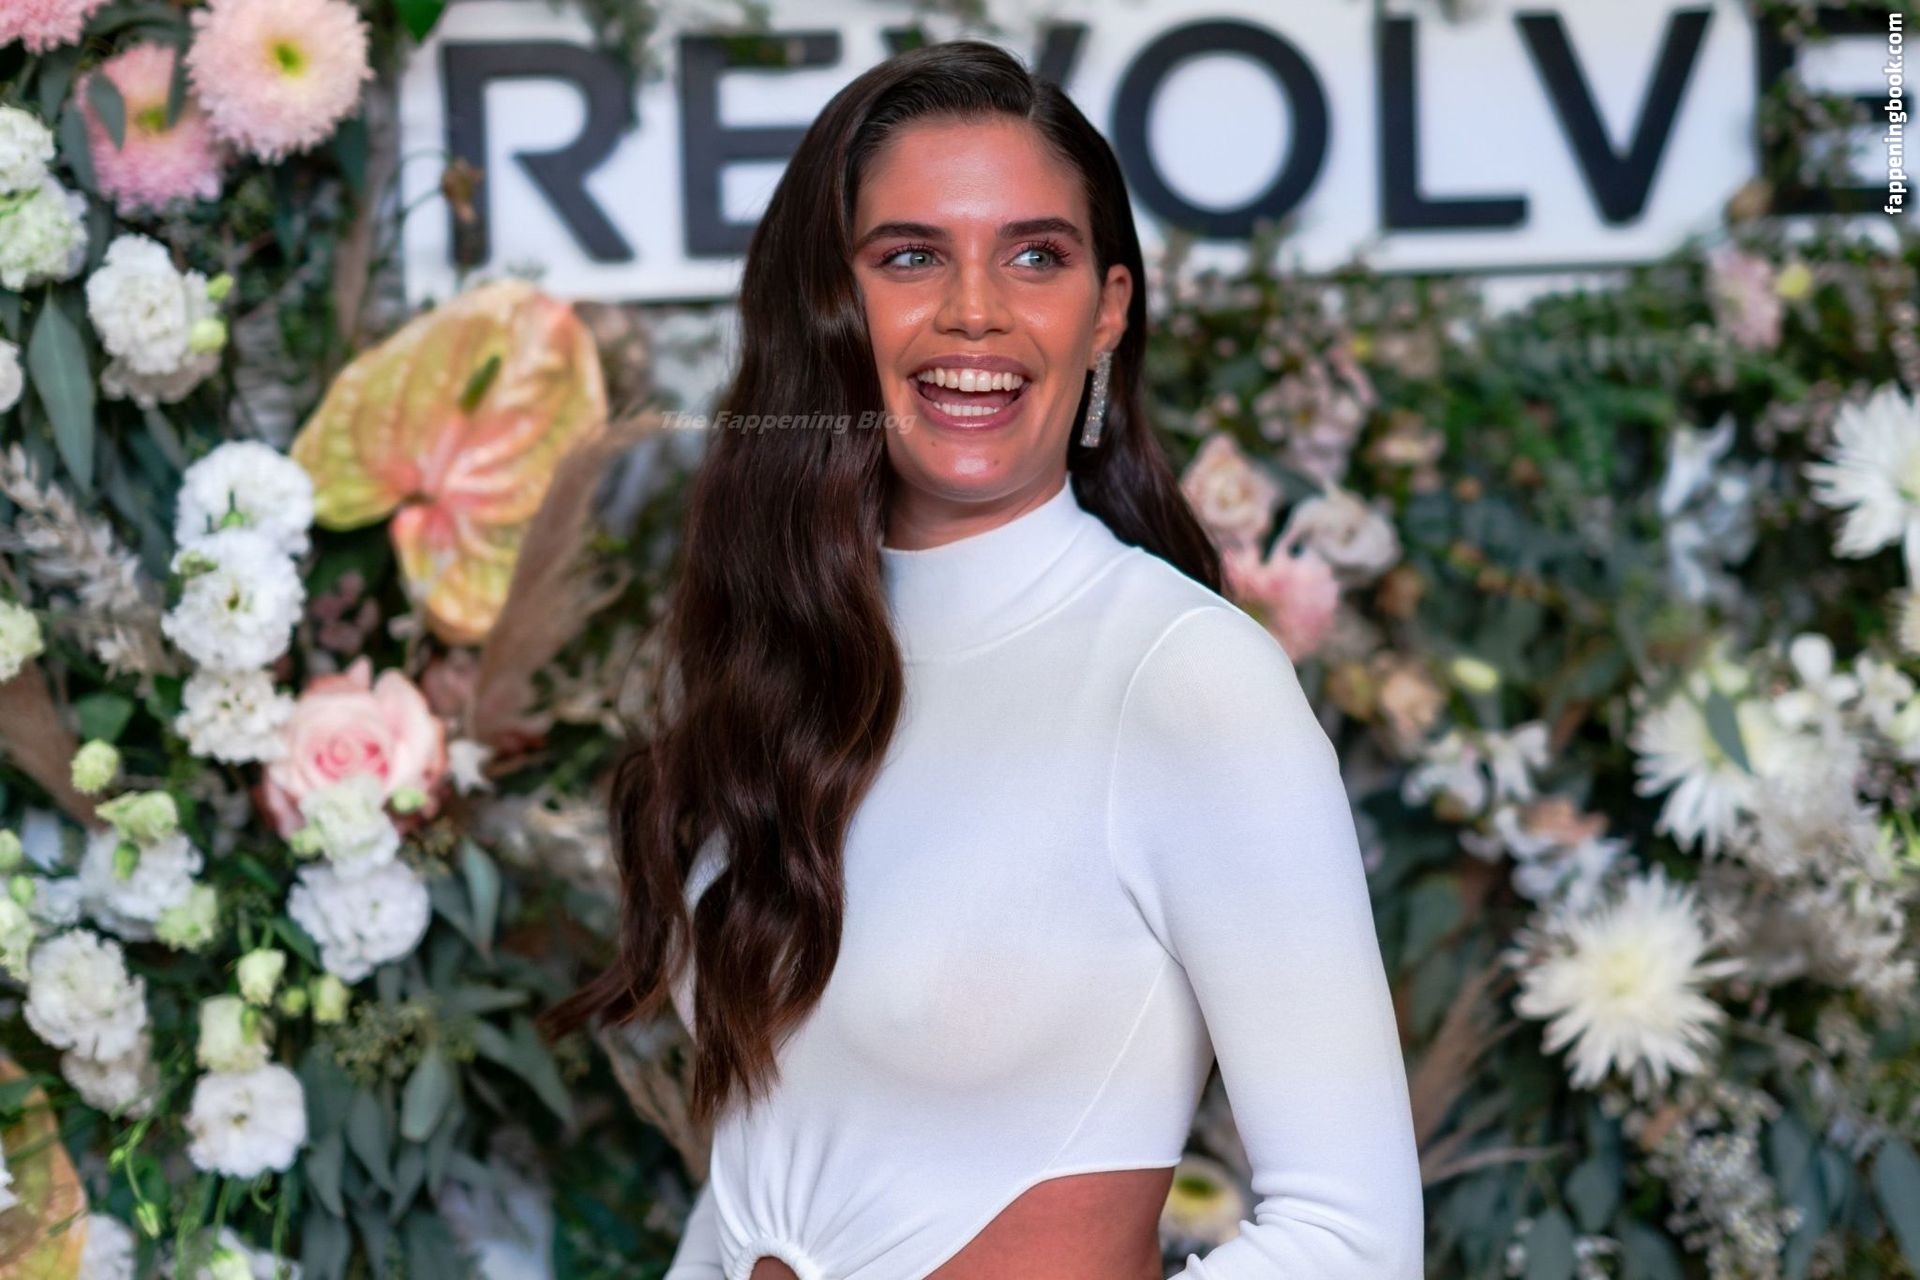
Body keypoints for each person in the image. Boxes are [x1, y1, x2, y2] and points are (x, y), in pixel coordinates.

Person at [542, 38, 1424, 1280]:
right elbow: (774, 1175)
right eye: (911, 255)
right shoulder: (789, 667)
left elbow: (1354, 1239)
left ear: (1107, 309)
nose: (975, 310)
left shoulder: (1182, 677)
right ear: (828, 306)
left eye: (1035, 256)